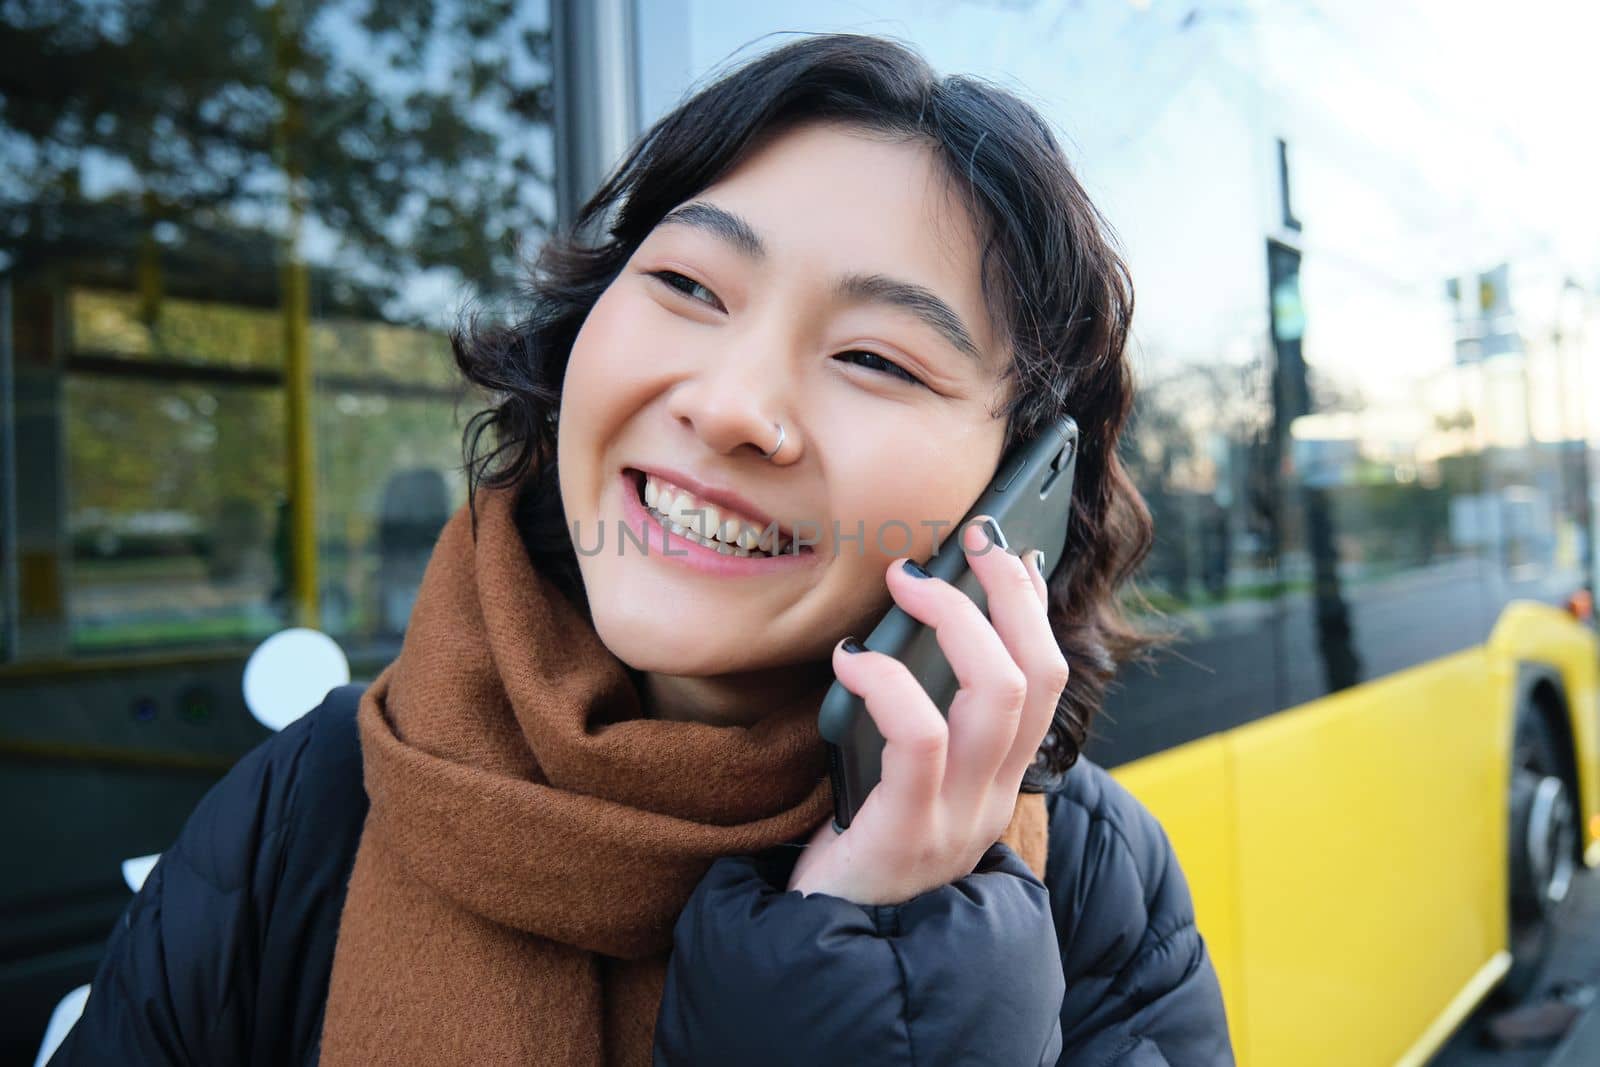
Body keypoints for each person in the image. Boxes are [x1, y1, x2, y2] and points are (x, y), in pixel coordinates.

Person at [50, 32, 1235, 1066]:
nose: (730, 407)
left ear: (1020, 487)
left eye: (876, 357)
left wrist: (884, 956)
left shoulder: (1089, 881)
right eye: (684, 282)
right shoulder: (304, 808)